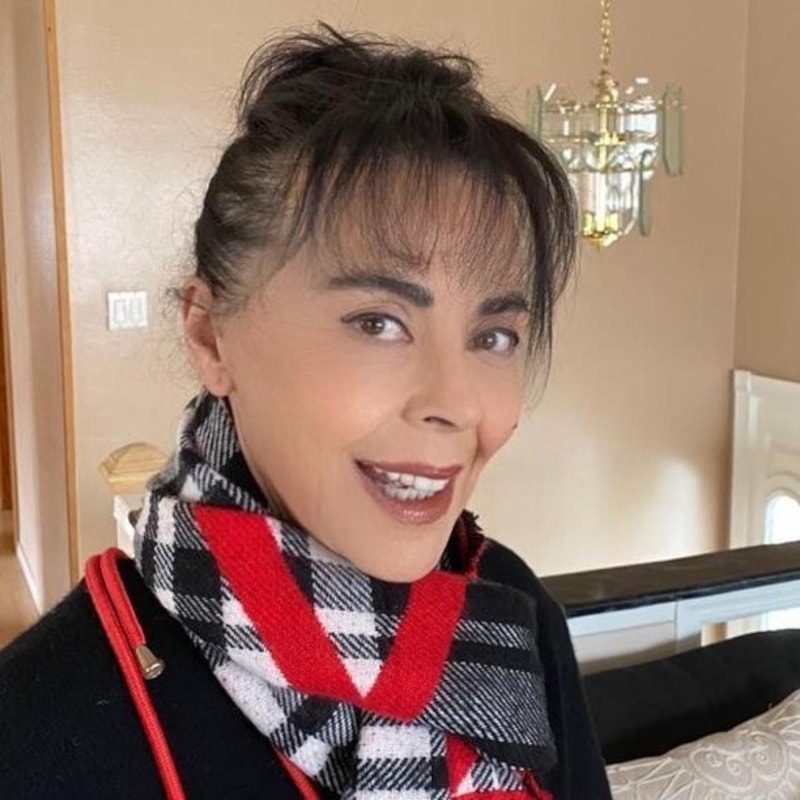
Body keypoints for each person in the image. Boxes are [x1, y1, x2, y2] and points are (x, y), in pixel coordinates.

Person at [0, 25, 611, 799]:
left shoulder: (508, 611)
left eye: (493, 336)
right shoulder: (35, 731)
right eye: (378, 322)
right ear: (210, 336)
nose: (456, 404)